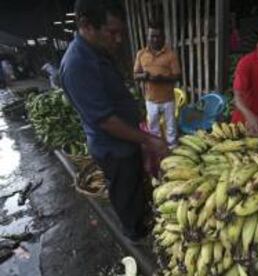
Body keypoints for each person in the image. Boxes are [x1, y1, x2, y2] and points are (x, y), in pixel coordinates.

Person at [60, 0, 169, 244]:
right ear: (86, 25)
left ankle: (143, 225)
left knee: (134, 190)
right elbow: (105, 120)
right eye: (112, 32)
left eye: (121, 32)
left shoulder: (97, 53)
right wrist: (149, 140)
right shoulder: (78, 64)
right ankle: (137, 239)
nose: (119, 39)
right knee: (126, 196)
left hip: (125, 142)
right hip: (113, 148)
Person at [133, 21, 181, 148]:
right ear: (147, 37)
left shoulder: (171, 55)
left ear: (163, 37)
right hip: (150, 100)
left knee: (171, 129)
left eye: (158, 36)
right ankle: (158, 151)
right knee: (154, 129)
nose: (155, 39)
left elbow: (177, 76)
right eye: (152, 36)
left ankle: (173, 151)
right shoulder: (141, 54)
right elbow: (135, 75)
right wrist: (145, 76)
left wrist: (163, 79)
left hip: (168, 99)